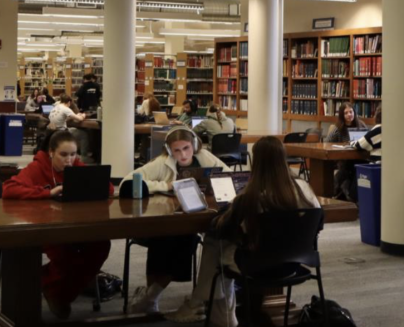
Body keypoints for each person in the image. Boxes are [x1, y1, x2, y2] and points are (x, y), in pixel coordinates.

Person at [166, 136, 321, 326]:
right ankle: (204, 306)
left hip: (258, 266)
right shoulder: (305, 188)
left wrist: (225, 210)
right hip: (295, 263)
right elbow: (318, 224)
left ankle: (215, 312)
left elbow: (221, 227)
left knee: (215, 243)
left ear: (256, 162)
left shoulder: (251, 197)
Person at [2, 130, 113, 320]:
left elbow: (108, 188)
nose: (69, 160)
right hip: (44, 226)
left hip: (75, 225)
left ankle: (49, 284)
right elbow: (9, 189)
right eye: (63, 155)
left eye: (73, 154)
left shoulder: (76, 166)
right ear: (51, 152)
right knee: (66, 253)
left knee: (101, 245)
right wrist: (47, 193)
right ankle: (59, 295)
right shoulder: (38, 167)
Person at [124, 127, 229, 314]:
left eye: (186, 148)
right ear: (169, 150)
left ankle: (151, 296)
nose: (183, 155)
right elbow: (128, 181)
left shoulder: (204, 157)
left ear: (194, 145)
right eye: (177, 150)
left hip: (196, 214)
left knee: (187, 237)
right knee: (168, 239)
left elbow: (227, 176)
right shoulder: (162, 162)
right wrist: (165, 185)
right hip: (165, 218)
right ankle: (152, 296)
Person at [334, 106, 381, 201]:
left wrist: (352, 143)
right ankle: (344, 190)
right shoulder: (338, 128)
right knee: (350, 165)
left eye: (351, 112)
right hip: (349, 158)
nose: (349, 114)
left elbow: (360, 144)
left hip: (376, 164)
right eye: (346, 113)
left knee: (351, 166)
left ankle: (348, 192)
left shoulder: (371, 127)